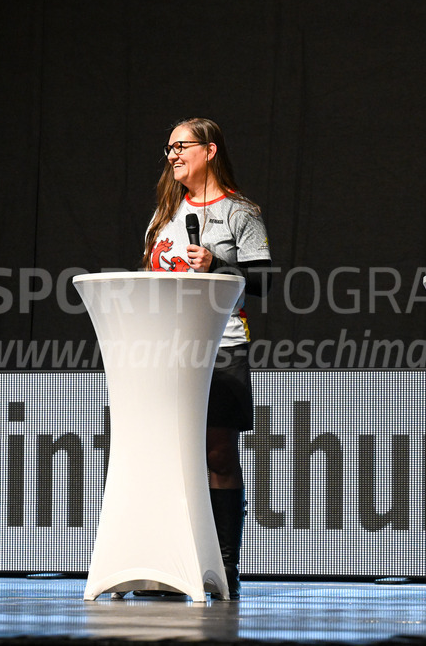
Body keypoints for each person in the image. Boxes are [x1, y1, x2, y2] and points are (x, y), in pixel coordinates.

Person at [138, 117, 272, 598]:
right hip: (165, 348)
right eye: (169, 148)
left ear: (210, 150)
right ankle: (172, 564)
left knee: (216, 452)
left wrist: (218, 264)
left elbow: (263, 281)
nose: (173, 155)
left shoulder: (240, 212)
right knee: (170, 454)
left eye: (181, 146)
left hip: (221, 345)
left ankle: (223, 566)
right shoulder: (164, 213)